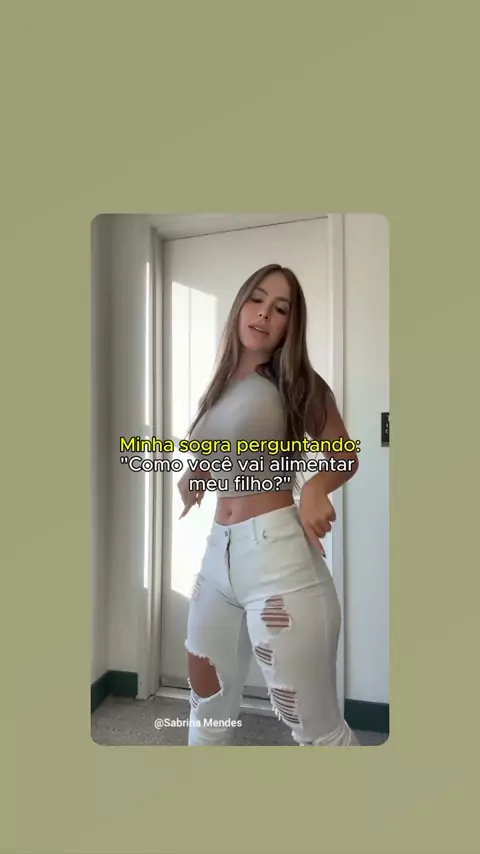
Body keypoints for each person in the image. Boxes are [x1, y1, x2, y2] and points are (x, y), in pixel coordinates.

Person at [177, 263, 360, 746]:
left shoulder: (297, 380)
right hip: (217, 557)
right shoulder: (219, 386)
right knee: (206, 707)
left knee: (315, 728)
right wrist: (195, 474)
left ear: (289, 325)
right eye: (257, 300)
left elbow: (345, 456)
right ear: (240, 305)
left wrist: (316, 488)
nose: (264, 314)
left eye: (280, 309)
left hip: (278, 557)